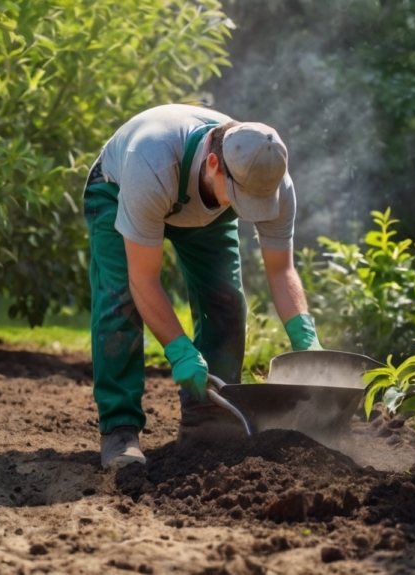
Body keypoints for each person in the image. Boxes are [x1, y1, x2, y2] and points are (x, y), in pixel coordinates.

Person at [83, 104, 322, 468]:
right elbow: (142, 279)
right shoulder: (151, 162)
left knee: (226, 301)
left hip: (205, 205)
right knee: (120, 301)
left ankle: (210, 423)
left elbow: (280, 270)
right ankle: (119, 430)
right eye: (243, 199)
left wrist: (306, 340)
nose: (251, 210)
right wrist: (179, 349)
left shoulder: (269, 178)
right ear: (213, 164)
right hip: (118, 189)